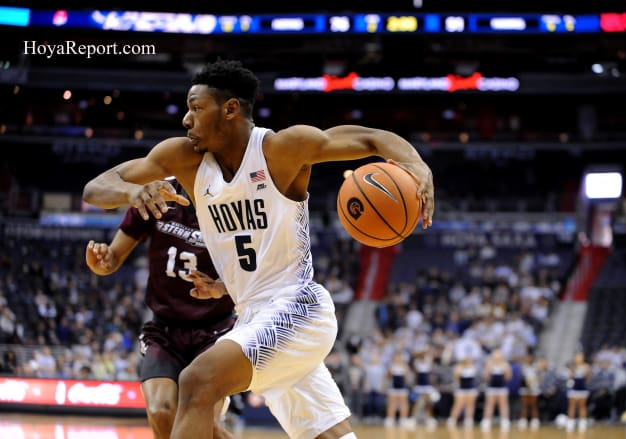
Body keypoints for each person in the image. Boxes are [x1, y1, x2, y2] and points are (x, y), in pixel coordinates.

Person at [82, 58, 435, 439]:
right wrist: (132, 192)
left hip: (297, 307)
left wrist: (418, 165)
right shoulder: (183, 159)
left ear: (230, 108)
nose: (186, 119)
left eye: (196, 108)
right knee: (330, 435)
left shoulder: (282, 150)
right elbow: (96, 187)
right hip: (252, 316)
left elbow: (371, 139)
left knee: (197, 382)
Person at [85, 179, 236, 439]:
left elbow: (254, 272)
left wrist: (222, 287)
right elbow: (111, 259)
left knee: (207, 424)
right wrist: (101, 263)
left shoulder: (234, 196)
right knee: (160, 410)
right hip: (165, 328)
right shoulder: (156, 192)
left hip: (216, 330)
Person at [480, 348, 512, 432]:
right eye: (495, 353)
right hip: (492, 388)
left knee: (503, 404)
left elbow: (508, 377)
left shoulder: (505, 364)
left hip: (502, 388)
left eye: (499, 353)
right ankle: (486, 420)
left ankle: (505, 421)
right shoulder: (489, 363)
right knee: (489, 404)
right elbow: (486, 376)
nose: (497, 355)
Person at [447, 356, 478, 429]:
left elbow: (474, 377)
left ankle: (468, 420)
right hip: (461, 389)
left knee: (470, 405)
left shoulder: (473, 367)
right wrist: (459, 370)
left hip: (471, 389)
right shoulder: (459, 367)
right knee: (458, 405)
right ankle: (453, 419)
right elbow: (456, 378)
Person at [565, 352, 591, 432]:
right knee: (572, 405)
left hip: (582, 388)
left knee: (582, 406)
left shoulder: (586, 366)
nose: (578, 359)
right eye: (577, 357)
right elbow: (570, 378)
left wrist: (586, 372)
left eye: (580, 357)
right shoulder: (573, 367)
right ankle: (570, 423)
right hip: (574, 387)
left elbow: (588, 378)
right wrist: (572, 370)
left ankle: (582, 423)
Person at [517, 351, 541, 431]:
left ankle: (535, 420)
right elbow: (522, 378)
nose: (529, 359)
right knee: (525, 405)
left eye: (530, 358)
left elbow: (538, 377)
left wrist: (533, 383)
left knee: (533, 405)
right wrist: (526, 383)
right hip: (525, 388)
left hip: (534, 388)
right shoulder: (523, 367)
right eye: (527, 358)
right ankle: (523, 420)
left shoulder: (536, 367)